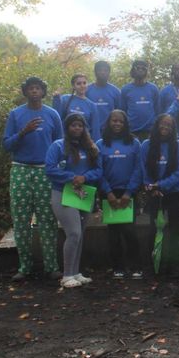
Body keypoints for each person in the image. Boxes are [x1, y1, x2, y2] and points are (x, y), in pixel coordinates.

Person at [2, 76, 63, 282]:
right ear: (25, 92)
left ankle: (51, 267)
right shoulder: (16, 114)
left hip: (45, 171)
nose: (34, 91)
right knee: (21, 219)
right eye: (30, 88)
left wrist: (59, 169)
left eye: (38, 88)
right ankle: (25, 267)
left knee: (47, 219)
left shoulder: (52, 114)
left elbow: (60, 145)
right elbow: (7, 145)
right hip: (20, 169)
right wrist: (23, 132)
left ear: (43, 92)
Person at [45, 113, 103, 288]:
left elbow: (99, 171)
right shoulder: (57, 146)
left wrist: (84, 178)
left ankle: (76, 272)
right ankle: (67, 275)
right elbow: (50, 169)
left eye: (80, 125)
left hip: (84, 194)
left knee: (80, 235)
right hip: (63, 194)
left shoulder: (90, 147)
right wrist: (72, 177)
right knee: (74, 233)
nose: (77, 128)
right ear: (67, 127)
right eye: (73, 125)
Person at [97, 110, 143, 279]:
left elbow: (138, 169)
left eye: (120, 121)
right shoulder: (101, 144)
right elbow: (98, 170)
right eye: (114, 121)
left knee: (130, 231)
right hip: (108, 194)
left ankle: (136, 266)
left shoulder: (134, 143)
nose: (117, 124)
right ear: (109, 122)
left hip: (127, 193)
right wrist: (107, 192)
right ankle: (118, 267)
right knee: (114, 233)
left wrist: (128, 192)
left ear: (125, 124)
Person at [140, 114, 179, 274]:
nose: (165, 127)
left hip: (174, 192)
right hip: (154, 194)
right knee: (154, 227)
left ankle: (173, 263)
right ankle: (152, 263)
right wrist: (151, 187)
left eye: (169, 125)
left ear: (173, 128)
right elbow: (143, 169)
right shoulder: (146, 145)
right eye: (162, 124)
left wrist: (161, 185)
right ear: (157, 125)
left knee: (174, 227)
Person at [53, 73, 101, 140]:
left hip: (84, 141)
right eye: (79, 83)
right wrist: (56, 99)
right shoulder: (65, 99)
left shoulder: (92, 105)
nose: (82, 86)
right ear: (73, 86)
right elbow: (57, 118)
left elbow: (95, 129)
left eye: (84, 83)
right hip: (67, 141)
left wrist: (95, 146)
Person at [121, 60, 159, 141]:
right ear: (132, 71)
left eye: (144, 68)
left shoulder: (153, 88)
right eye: (138, 67)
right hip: (131, 132)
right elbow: (122, 112)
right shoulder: (125, 89)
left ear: (147, 72)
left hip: (150, 132)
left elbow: (157, 110)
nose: (141, 70)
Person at [86, 61, 121, 128]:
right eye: (100, 70)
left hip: (110, 131)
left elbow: (120, 113)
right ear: (95, 72)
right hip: (90, 130)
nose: (103, 72)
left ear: (109, 73)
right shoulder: (87, 90)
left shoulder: (116, 91)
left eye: (105, 70)